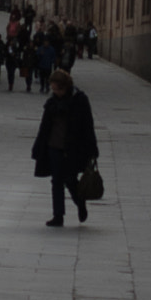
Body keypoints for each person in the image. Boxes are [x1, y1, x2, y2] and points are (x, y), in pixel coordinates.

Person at [32, 67, 99, 227]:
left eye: (58, 89)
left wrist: (92, 149)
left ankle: (80, 203)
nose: (55, 92)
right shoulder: (52, 103)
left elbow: (88, 125)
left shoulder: (80, 100)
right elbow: (44, 127)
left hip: (73, 148)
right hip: (53, 146)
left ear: (66, 86)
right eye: (53, 89)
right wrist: (38, 147)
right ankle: (58, 215)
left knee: (70, 179)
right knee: (56, 181)